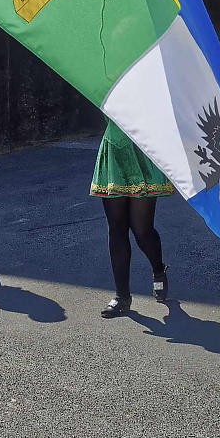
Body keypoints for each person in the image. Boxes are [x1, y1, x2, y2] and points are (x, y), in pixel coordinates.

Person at [91, 118, 171, 318]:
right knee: (116, 228)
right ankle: (122, 296)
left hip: (143, 150)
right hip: (115, 148)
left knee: (142, 231)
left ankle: (159, 269)